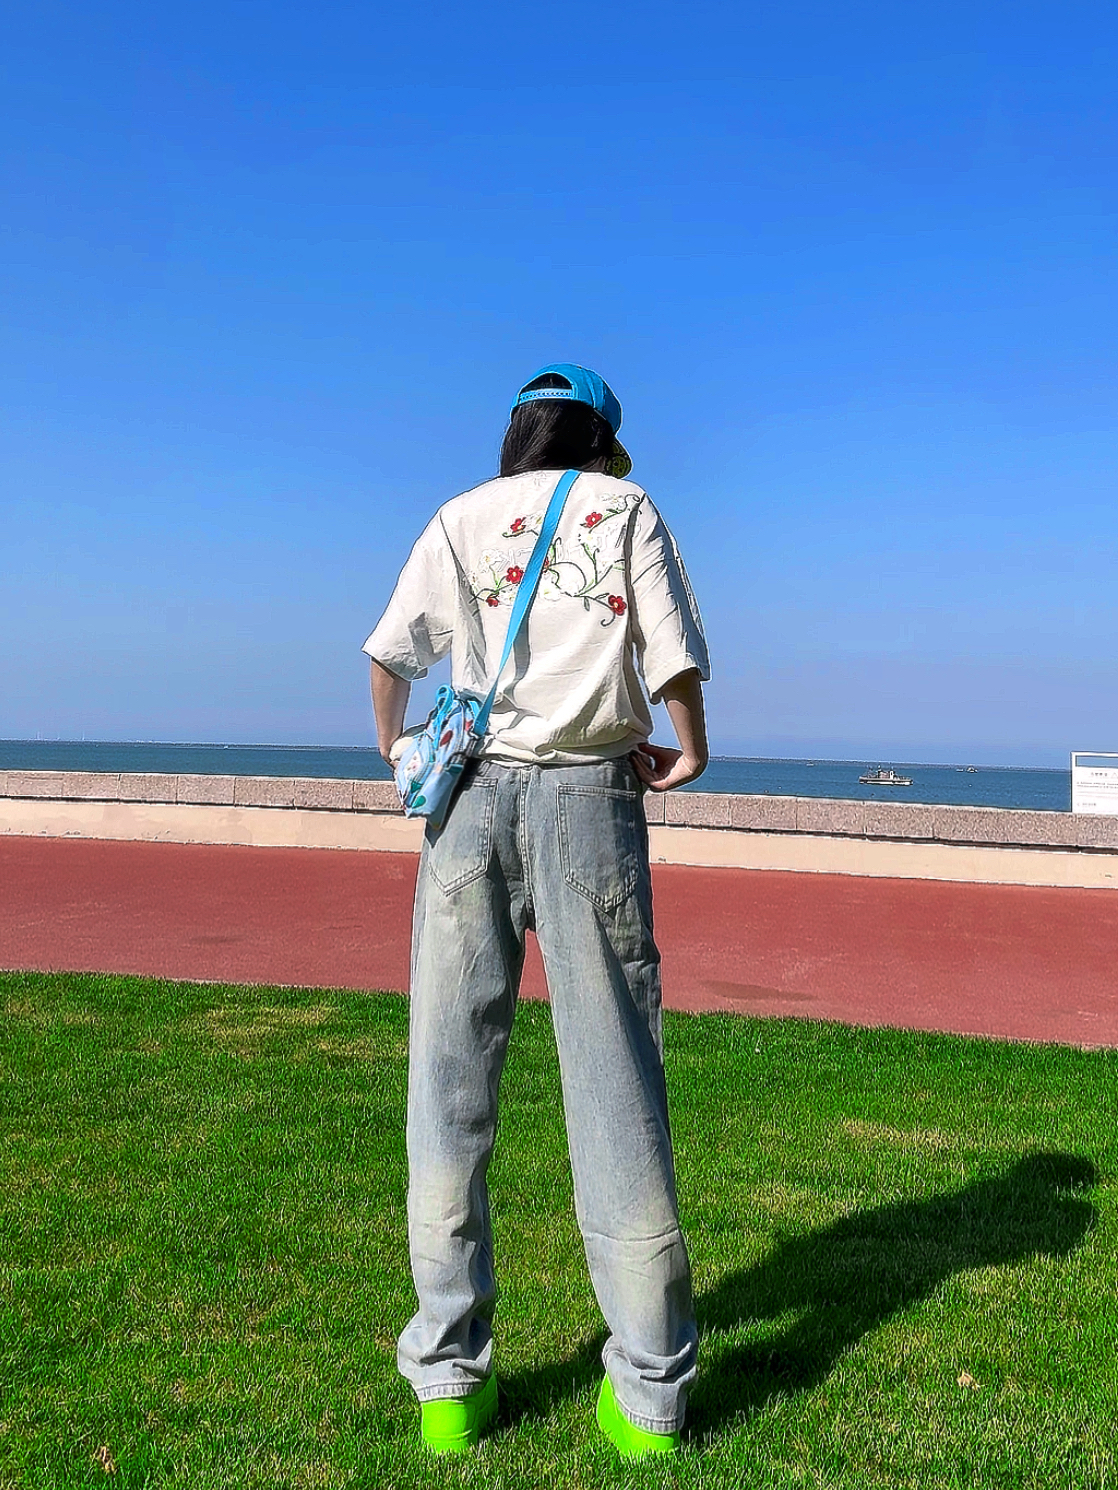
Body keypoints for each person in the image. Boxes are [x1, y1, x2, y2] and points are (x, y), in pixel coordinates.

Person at [363, 363, 711, 1456]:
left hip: (466, 804)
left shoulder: (460, 515)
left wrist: (397, 751)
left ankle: (449, 1384)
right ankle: (648, 1398)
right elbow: (671, 652)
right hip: (587, 796)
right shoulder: (625, 507)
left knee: (447, 1085)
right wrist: (690, 745)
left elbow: (389, 653)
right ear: (599, 442)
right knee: (614, 1085)